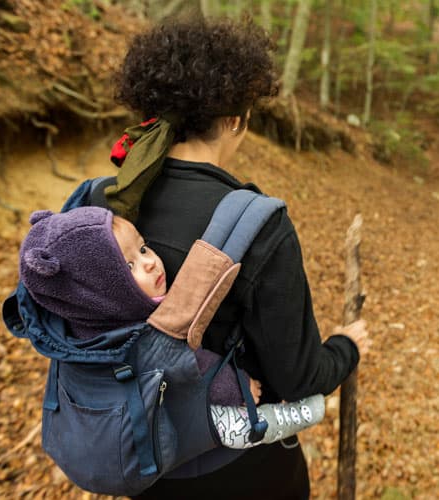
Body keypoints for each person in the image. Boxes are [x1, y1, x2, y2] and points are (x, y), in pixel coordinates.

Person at [89, 18, 370, 498]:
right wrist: (347, 346)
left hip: (141, 460)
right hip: (240, 470)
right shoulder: (258, 225)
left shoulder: (104, 206)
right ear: (237, 119)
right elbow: (300, 379)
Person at [18, 205, 327, 449]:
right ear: (96, 291)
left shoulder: (80, 321)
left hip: (103, 421)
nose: (150, 262)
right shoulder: (141, 337)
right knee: (231, 427)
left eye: (142, 248)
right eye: (128, 266)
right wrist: (241, 385)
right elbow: (195, 368)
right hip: (155, 425)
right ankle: (293, 417)